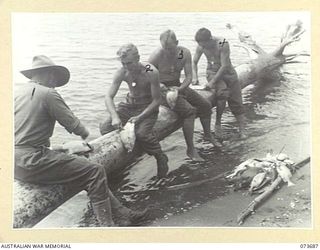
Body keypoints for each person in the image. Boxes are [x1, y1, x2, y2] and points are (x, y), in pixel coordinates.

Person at [15, 55, 147, 227]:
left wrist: (60, 148)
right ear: (47, 74)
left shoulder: (18, 93)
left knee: (81, 170)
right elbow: (76, 126)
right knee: (95, 171)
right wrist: (87, 138)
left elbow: (21, 136)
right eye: (54, 77)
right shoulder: (48, 94)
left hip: (13, 163)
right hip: (32, 161)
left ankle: (123, 213)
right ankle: (107, 228)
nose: (55, 82)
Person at [149, 30, 221, 162]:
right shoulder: (157, 55)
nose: (168, 51)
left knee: (206, 105)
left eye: (170, 48)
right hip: (161, 90)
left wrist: (180, 88)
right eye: (165, 48)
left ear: (177, 43)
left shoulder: (183, 53)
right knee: (189, 112)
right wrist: (159, 85)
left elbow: (188, 76)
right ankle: (191, 149)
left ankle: (208, 135)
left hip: (177, 85)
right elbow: (147, 72)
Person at [99, 44, 169, 178]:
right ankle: (122, 158)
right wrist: (114, 116)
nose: (126, 66)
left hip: (147, 107)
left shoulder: (150, 71)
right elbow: (108, 97)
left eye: (129, 63)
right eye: (123, 63)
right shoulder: (122, 72)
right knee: (105, 126)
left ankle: (160, 156)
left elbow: (157, 100)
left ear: (138, 58)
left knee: (142, 134)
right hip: (129, 106)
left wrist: (140, 117)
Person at [193, 28, 246, 139]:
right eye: (201, 45)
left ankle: (242, 130)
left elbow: (224, 66)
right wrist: (195, 77)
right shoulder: (201, 45)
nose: (203, 48)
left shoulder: (222, 43)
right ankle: (218, 123)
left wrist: (212, 82)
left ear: (210, 39)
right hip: (212, 71)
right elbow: (194, 62)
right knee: (222, 92)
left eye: (205, 45)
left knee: (237, 101)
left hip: (228, 72)